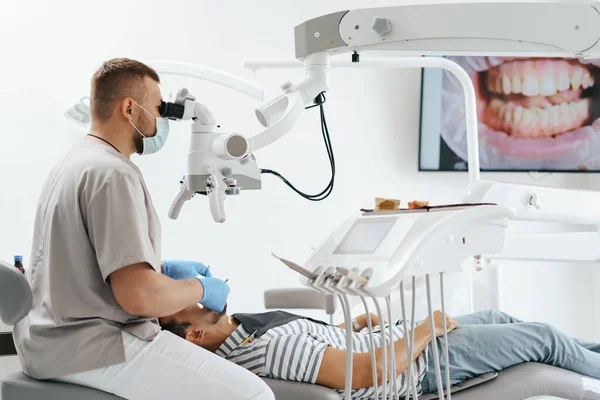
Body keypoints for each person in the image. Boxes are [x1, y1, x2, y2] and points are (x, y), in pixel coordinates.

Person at [13, 58, 274, 400]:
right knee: (255, 395)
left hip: (46, 342)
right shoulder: (114, 174)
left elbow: (75, 262)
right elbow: (139, 298)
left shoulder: (72, 163)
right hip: (91, 347)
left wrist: (161, 270)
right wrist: (201, 289)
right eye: (158, 108)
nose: (161, 120)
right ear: (129, 108)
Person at [159, 304, 600, 399]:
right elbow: (367, 373)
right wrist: (425, 331)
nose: (201, 300)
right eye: (191, 308)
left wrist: (349, 328)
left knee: (504, 319)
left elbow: (321, 346)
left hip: (403, 339)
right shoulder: (261, 352)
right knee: (542, 337)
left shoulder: (248, 327)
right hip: (423, 364)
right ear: (194, 335)